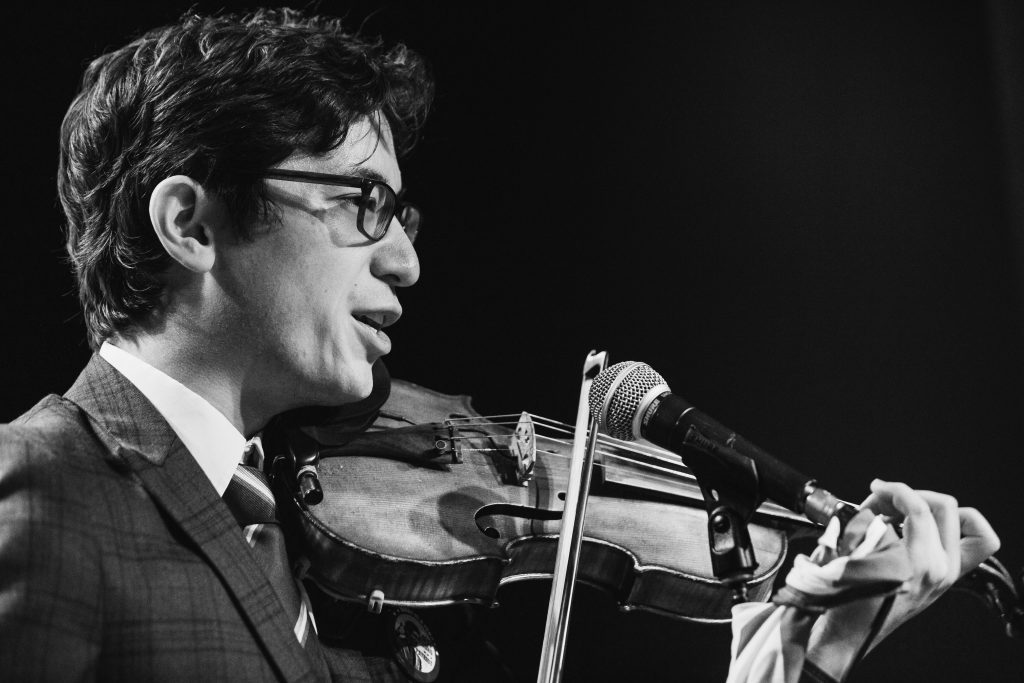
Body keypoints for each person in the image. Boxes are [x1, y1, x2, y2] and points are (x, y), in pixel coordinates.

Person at [0, 7, 1000, 683]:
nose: (404, 264)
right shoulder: (42, 492)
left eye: (404, 218)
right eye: (362, 205)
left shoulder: (335, 549)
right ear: (191, 221)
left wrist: (783, 663)